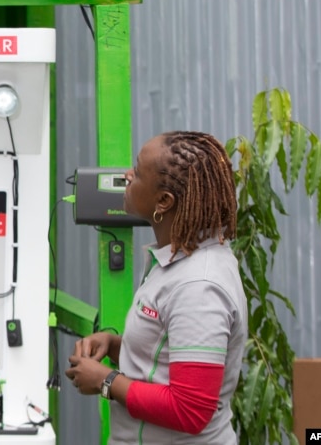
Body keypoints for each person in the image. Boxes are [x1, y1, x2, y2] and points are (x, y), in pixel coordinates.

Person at [65, 131, 247, 444]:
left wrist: (106, 381)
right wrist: (113, 344)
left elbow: (190, 409)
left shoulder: (199, 286)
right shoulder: (176, 261)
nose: (127, 175)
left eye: (137, 171)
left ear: (164, 201)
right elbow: (165, 363)